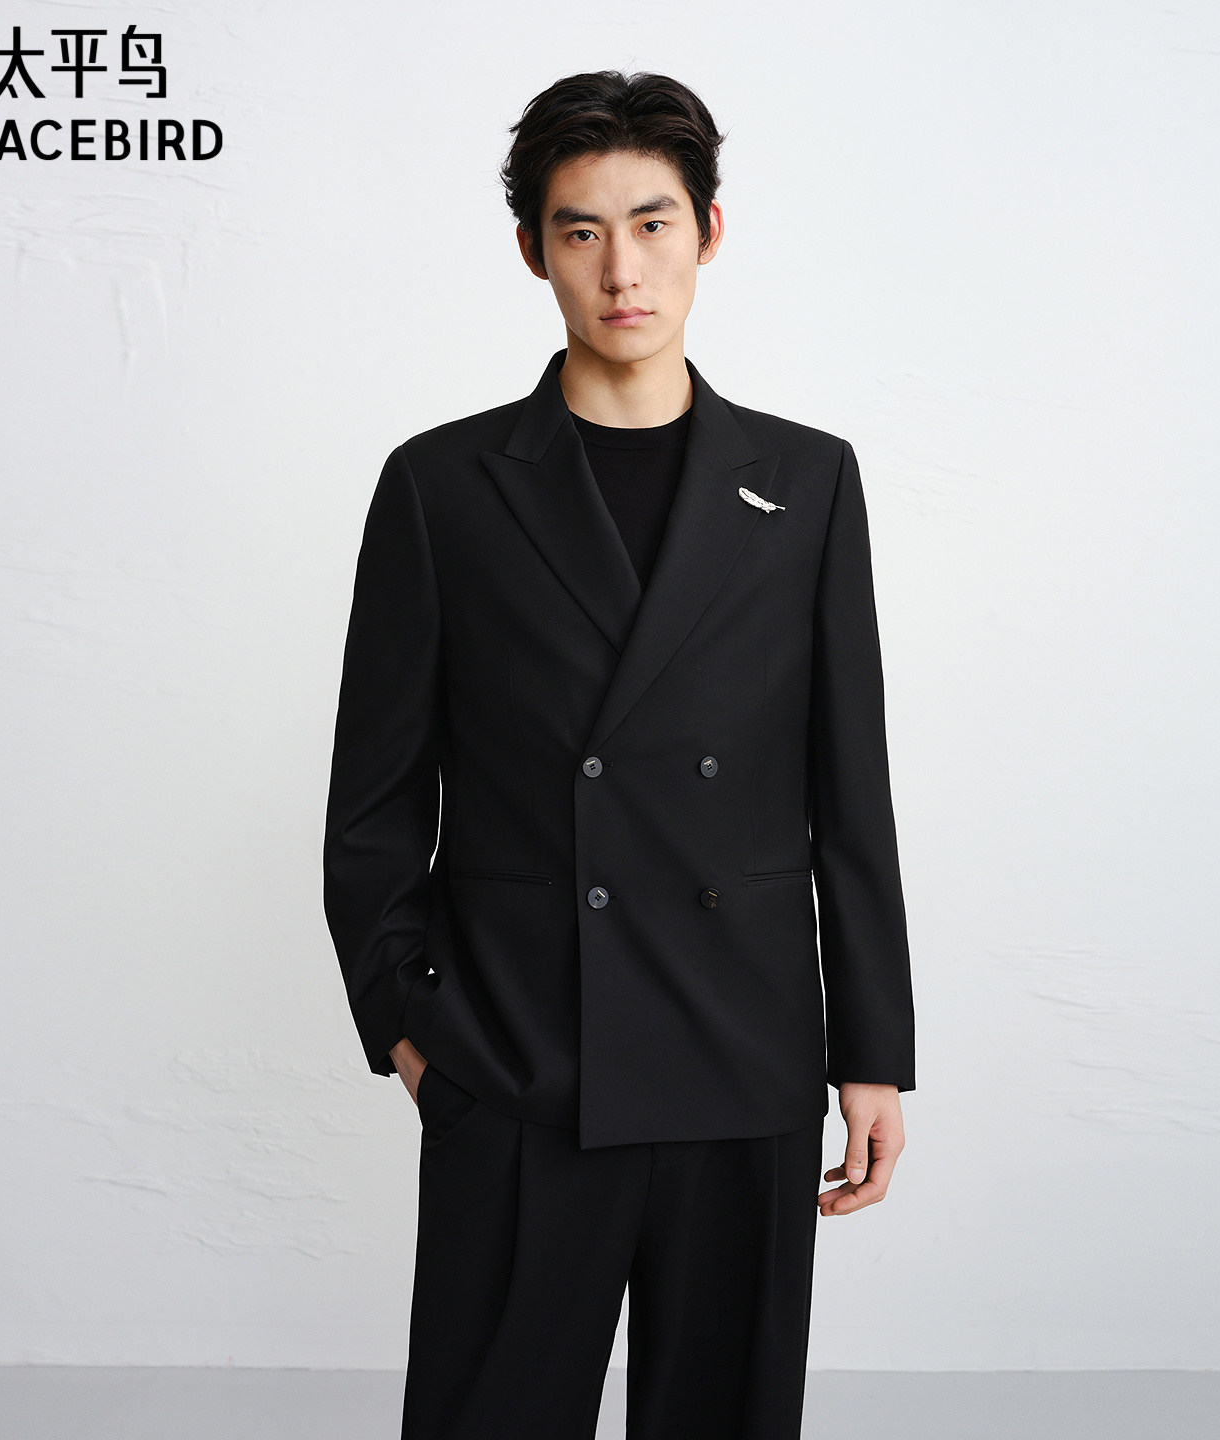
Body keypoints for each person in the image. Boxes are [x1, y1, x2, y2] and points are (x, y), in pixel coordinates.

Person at [323, 69, 915, 1440]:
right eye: (580, 231)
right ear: (533, 251)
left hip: (744, 1056)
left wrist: (872, 1051)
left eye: (651, 224)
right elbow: (374, 804)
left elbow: (851, 794)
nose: (621, 269)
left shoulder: (808, 482)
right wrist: (416, 1035)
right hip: (523, 1056)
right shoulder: (442, 486)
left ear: (711, 231)